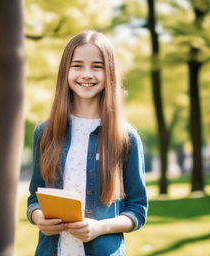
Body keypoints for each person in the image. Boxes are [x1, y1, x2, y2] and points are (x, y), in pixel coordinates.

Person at [27, 30, 148, 256]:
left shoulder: (126, 137)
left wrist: (100, 227)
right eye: (77, 65)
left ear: (109, 72)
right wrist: (39, 217)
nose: (87, 74)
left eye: (97, 66)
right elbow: (35, 196)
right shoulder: (45, 133)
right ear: (65, 71)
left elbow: (138, 210)